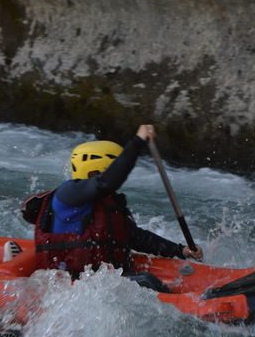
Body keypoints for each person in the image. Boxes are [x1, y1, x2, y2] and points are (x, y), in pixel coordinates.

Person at [21, 124, 203, 292]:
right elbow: (107, 182)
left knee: (147, 281)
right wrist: (138, 141)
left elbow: (135, 237)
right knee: (147, 282)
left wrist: (180, 250)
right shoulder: (69, 193)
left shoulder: (108, 202)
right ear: (96, 169)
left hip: (102, 281)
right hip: (70, 283)